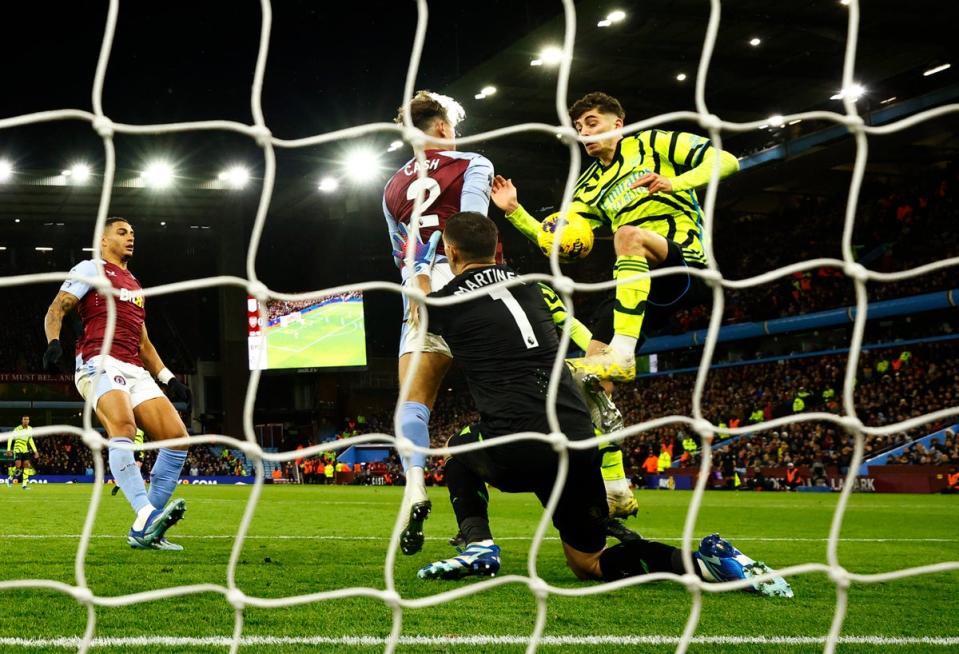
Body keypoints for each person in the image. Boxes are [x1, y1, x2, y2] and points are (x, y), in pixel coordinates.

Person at [410, 212, 791, 598]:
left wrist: (422, 268)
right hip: (576, 439)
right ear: (495, 248)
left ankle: (479, 545)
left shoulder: (451, 300)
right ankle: (706, 563)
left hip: (516, 443)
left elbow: (418, 311)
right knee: (588, 562)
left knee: (457, 451)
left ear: (451, 250)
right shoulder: (535, 288)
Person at [491, 91, 740, 382]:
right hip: (635, 285)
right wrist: (514, 211)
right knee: (591, 375)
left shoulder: (653, 143)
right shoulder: (587, 187)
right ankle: (598, 416)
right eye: (579, 128)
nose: (584, 132)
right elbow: (558, 240)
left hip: (685, 264)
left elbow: (727, 161)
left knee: (626, 235)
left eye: (592, 123)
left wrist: (674, 182)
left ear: (618, 124)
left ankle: (622, 352)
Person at [382, 90, 495, 555]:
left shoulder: (389, 188)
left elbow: (400, 251)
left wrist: (419, 279)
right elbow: (470, 226)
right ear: (444, 128)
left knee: (413, 399)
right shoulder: (473, 162)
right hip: (475, 282)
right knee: (522, 393)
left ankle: (413, 487)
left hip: (419, 291)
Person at [43, 217, 191, 550]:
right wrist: (53, 342)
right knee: (122, 427)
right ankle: (147, 516)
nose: (130, 238)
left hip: (135, 368)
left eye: (133, 233)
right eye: (122, 233)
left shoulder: (136, 285)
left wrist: (169, 379)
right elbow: (57, 308)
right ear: (103, 240)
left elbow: (144, 344)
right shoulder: (91, 267)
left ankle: (144, 529)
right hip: (99, 361)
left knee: (178, 439)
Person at [5, 416, 38, 489]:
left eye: (27, 419)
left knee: (26, 466)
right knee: (18, 466)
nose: (26, 421)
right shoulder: (17, 429)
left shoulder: (30, 429)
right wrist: (8, 449)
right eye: (24, 419)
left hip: (25, 450)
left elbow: (30, 440)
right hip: (17, 449)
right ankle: (9, 479)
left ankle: (24, 485)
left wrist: (35, 451)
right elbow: (10, 438)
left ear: (29, 421)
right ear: (22, 421)